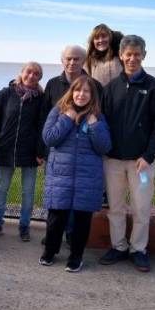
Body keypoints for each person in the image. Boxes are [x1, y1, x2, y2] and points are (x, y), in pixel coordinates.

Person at [100, 35, 155, 272]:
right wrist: (105, 152)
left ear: (144, 56)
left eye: (137, 54)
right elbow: (103, 122)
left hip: (142, 162)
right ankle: (118, 247)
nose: (132, 58)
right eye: (128, 54)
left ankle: (138, 249)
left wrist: (149, 156)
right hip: (113, 161)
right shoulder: (110, 88)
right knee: (115, 208)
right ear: (121, 55)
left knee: (141, 208)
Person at [39, 75, 111, 272]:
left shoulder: (98, 116)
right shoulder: (59, 111)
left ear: (92, 95)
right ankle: (50, 252)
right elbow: (49, 138)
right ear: (72, 92)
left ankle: (76, 256)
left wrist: (95, 124)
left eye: (86, 91)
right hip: (60, 176)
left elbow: (104, 146)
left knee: (81, 221)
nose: (81, 94)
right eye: (78, 90)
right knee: (56, 217)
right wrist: (67, 118)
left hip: (87, 178)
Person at [40, 45, 103, 246]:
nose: (72, 62)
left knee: (78, 203)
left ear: (83, 61)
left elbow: (100, 116)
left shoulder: (95, 85)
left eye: (76, 59)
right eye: (68, 58)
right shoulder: (52, 84)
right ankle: (53, 237)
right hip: (58, 153)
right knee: (57, 200)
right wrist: (41, 151)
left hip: (84, 155)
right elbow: (44, 118)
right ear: (62, 60)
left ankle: (71, 237)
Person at [0, 62, 45, 242]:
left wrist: (40, 151)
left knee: (28, 192)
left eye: (36, 74)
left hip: (29, 151)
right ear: (21, 73)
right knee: (1, 189)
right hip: (5, 149)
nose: (31, 76)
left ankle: (24, 226)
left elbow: (41, 126)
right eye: (29, 72)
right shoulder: (5, 94)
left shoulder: (40, 99)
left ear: (39, 78)